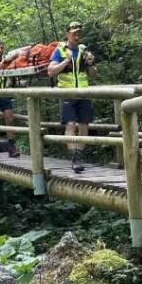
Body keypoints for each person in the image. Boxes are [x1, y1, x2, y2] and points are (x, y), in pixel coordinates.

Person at [48, 21, 97, 173]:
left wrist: (90, 64)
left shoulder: (84, 51)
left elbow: (94, 76)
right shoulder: (59, 51)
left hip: (83, 92)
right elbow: (51, 71)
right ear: (67, 34)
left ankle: (78, 155)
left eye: (79, 33)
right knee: (70, 124)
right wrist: (66, 61)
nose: (77, 36)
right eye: (74, 33)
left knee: (84, 125)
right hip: (66, 92)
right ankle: (74, 157)